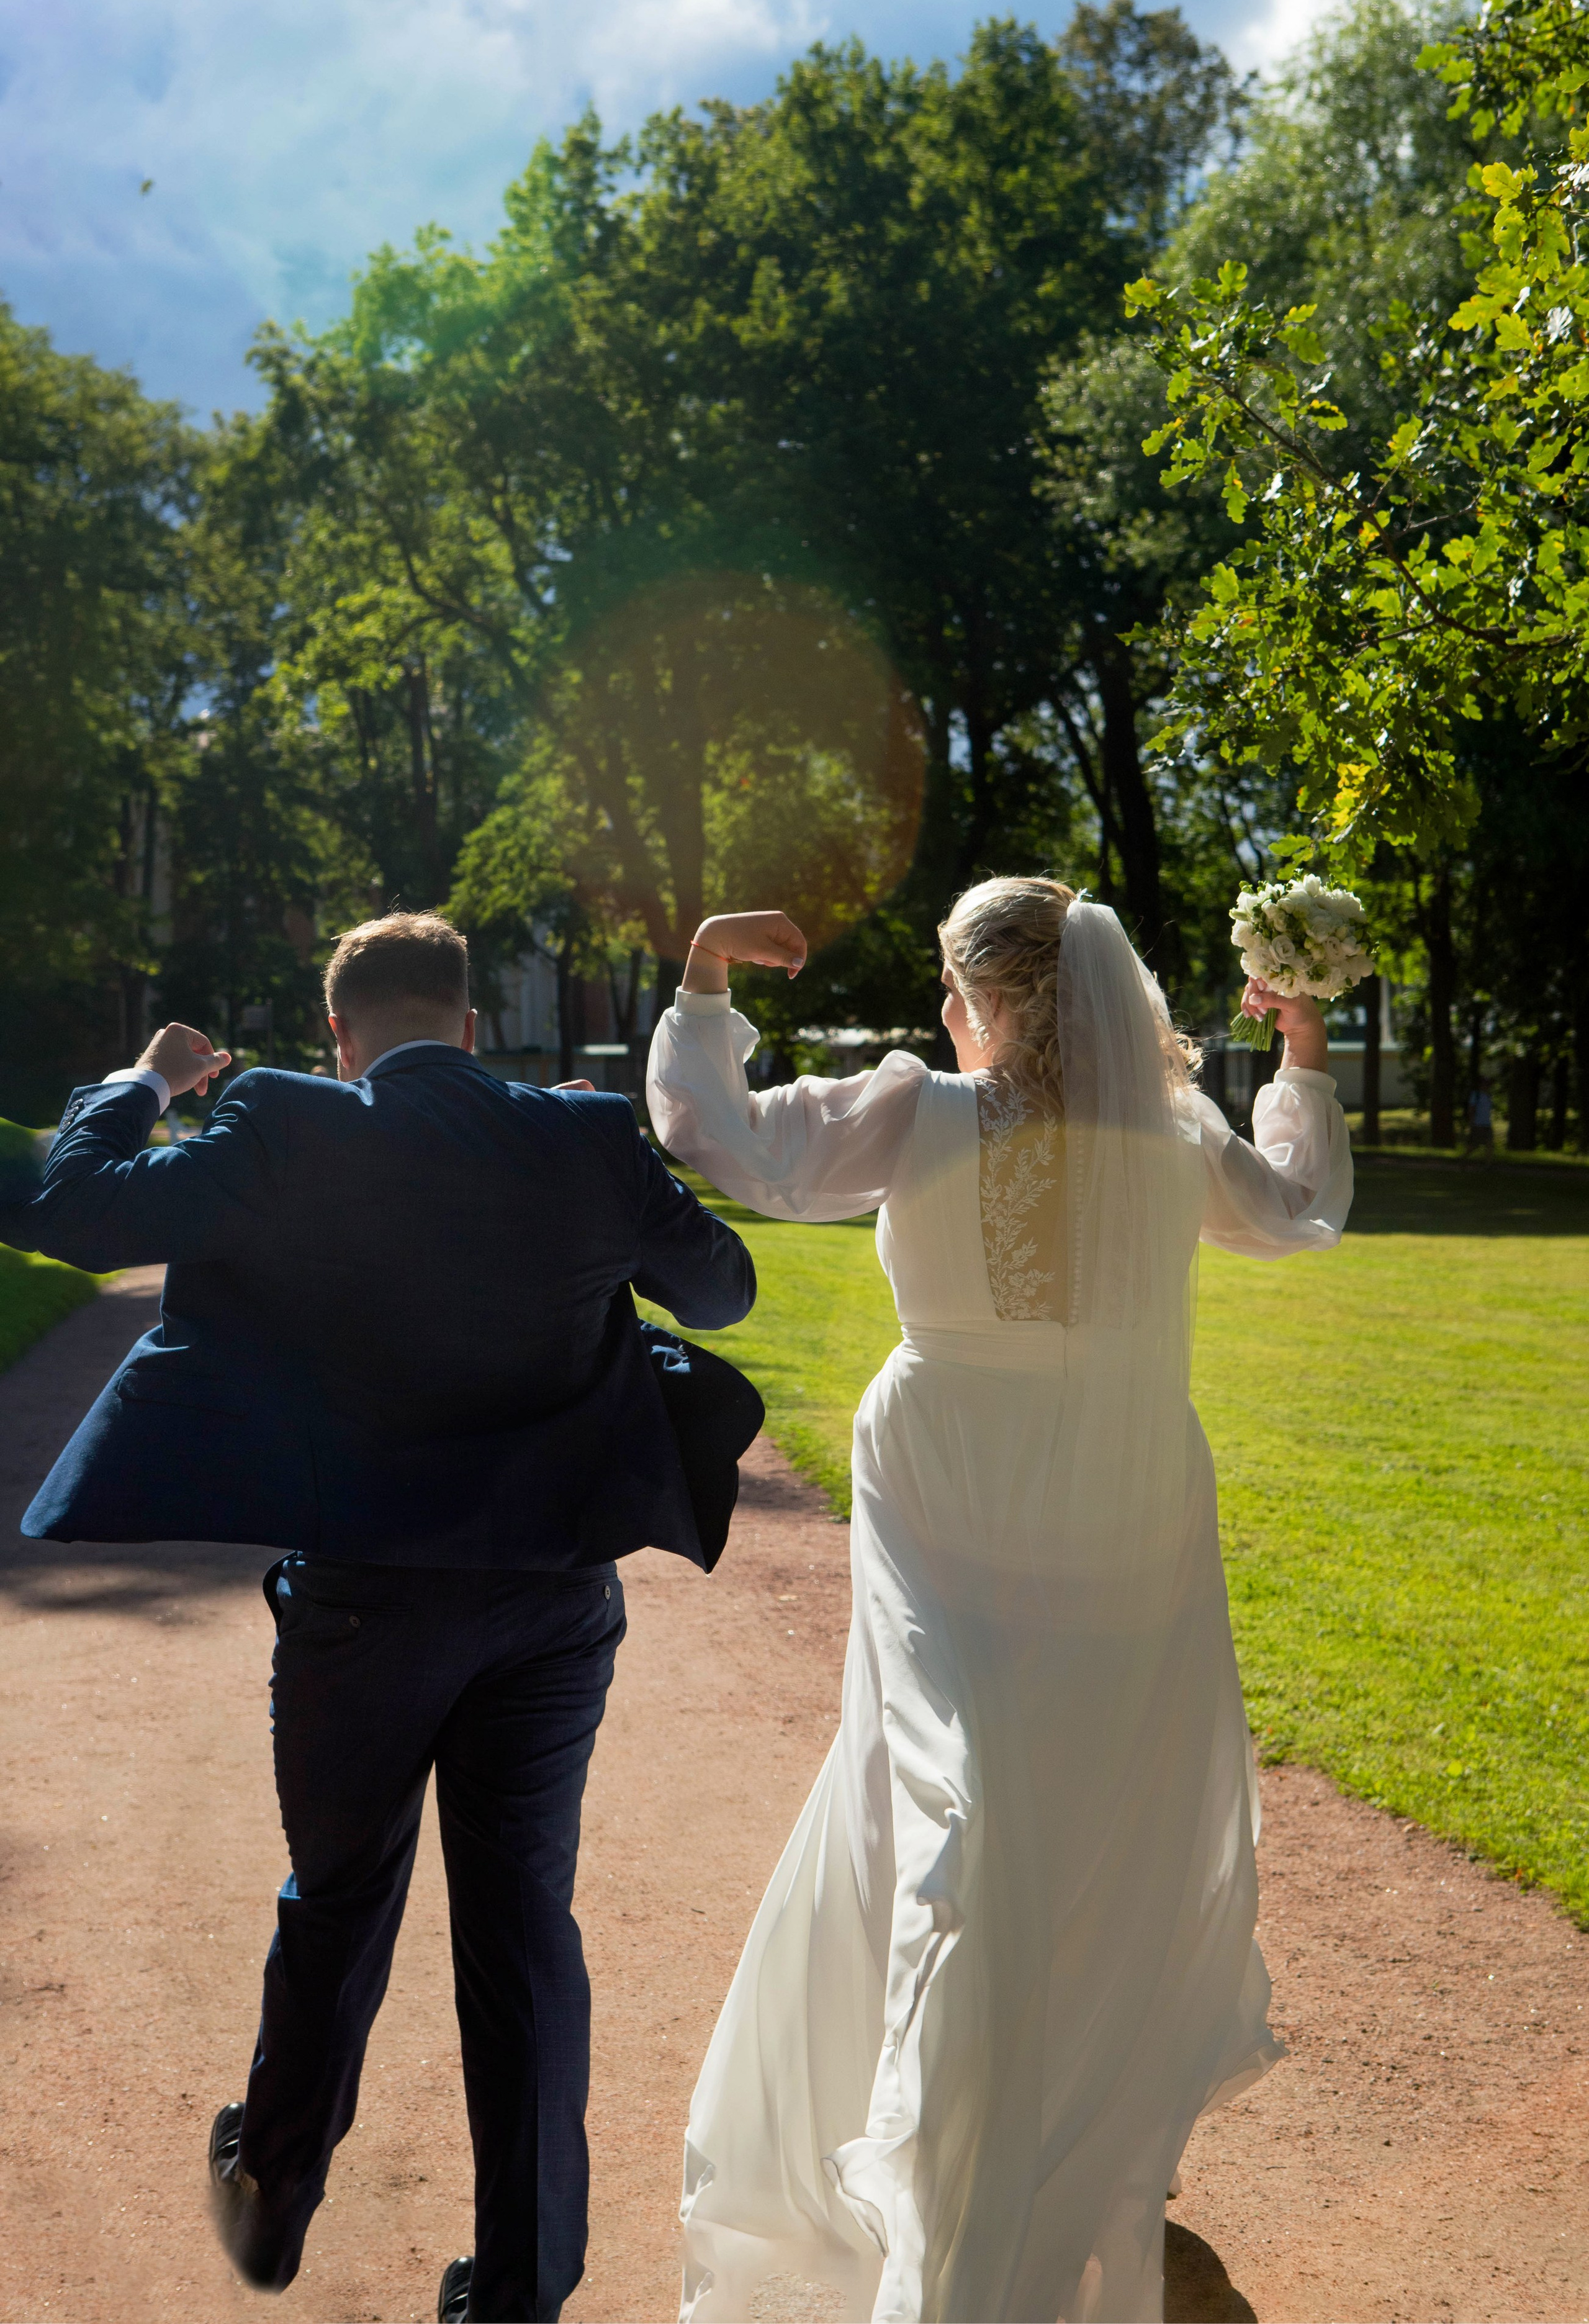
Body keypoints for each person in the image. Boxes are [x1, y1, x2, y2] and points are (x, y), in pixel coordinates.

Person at [0, 911, 755, 2324]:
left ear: (340, 1032)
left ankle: (277, 2188)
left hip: (365, 1605)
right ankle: (521, 2287)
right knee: (523, 1925)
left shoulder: (291, 1124)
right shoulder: (581, 1139)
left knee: (340, 1893)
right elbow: (720, 1283)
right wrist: (627, 1167)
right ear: (469, 1023)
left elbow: (67, 1203)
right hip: (549, 1605)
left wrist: (148, 1081)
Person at [646, 878, 1353, 2324]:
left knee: (961, 1793)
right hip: (1120, 1473)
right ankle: (1002, 2122)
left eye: (949, 989)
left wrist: (705, 987)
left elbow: (728, 1142)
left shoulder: (915, 1111)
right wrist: (1299, 1051)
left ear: (975, 994)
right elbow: (1296, 1215)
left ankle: (966, 2137)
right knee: (1050, 1794)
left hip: (966, 1462)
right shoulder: (1170, 1133)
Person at [1464, 1078, 1495, 1157]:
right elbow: (1471, 1109)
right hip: (1478, 1124)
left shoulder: (1489, 1096)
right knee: (1475, 1145)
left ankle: (1488, 1166)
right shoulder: (1476, 1095)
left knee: (1490, 1144)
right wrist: (1472, 1121)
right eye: (1485, 1084)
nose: (1487, 1086)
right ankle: (1463, 1159)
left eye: (1488, 1085)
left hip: (1487, 1124)